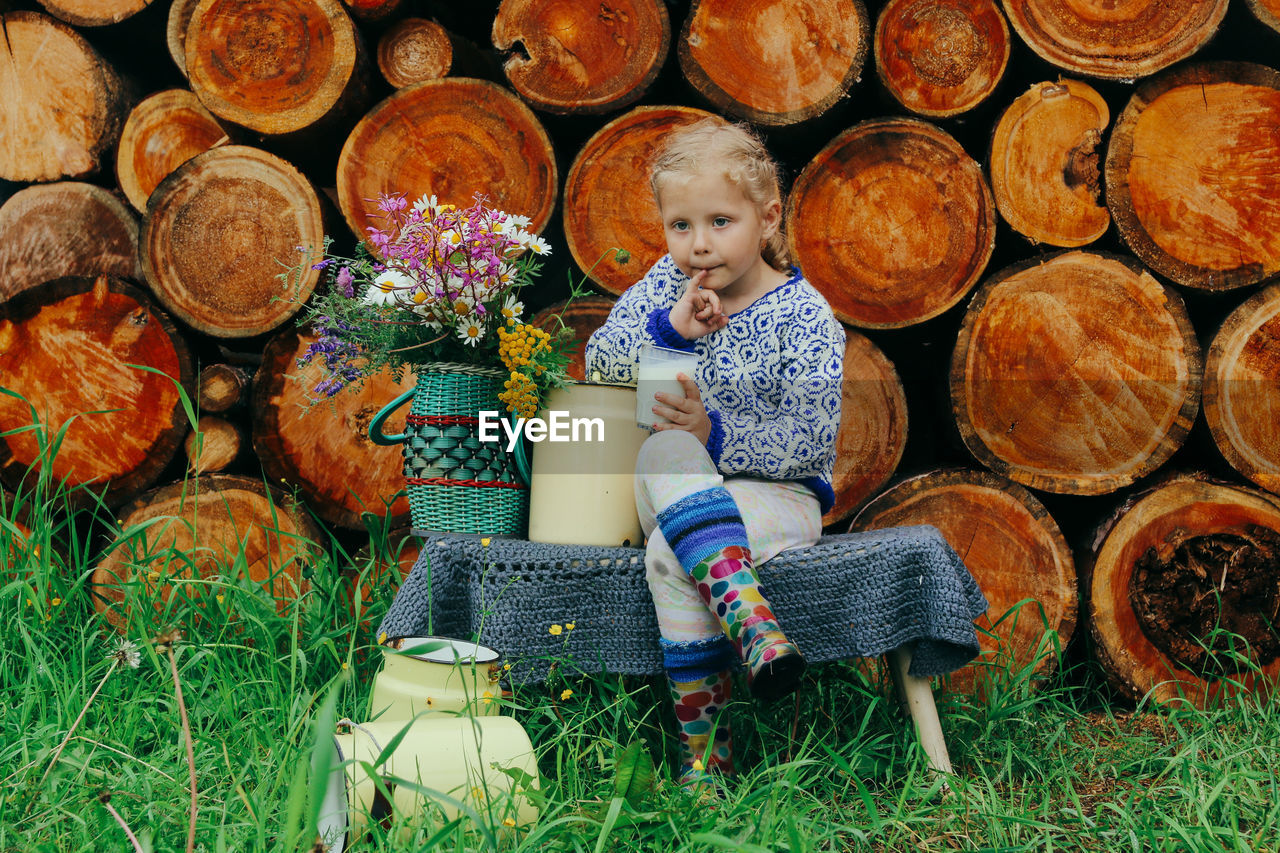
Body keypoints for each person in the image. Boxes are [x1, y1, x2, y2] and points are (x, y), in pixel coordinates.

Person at [585, 118, 845, 787]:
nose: (698, 246)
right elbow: (601, 367)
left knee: (672, 552)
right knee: (667, 443)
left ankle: (707, 763)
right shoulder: (660, 292)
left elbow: (813, 436)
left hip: (777, 500)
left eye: (720, 222)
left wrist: (719, 435)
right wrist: (669, 328)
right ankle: (753, 627)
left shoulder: (805, 314)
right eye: (680, 226)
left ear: (767, 217)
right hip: (672, 487)